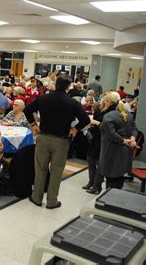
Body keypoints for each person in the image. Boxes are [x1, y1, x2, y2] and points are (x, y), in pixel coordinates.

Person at [24, 76, 90, 209]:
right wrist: (75, 129)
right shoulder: (72, 102)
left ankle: (37, 198)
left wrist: (33, 124)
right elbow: (85, 119)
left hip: (43, 138)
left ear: (55, 84)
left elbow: (27, 110)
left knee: (40, 170)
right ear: (68, 87)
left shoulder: (43, 98)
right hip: (61, 141)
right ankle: (52, 201)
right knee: (56, 172)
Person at [98, 92, 138, 190]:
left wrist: (124, 141)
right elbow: (135, 129)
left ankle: (108, 201)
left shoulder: (108, 116)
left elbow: (111, 133)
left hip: (111, 151)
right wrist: (132, 139)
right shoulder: (128, 114)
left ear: (109, 102)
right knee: (119, 178)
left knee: (110, 180)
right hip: (125, 151)